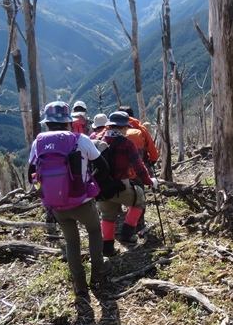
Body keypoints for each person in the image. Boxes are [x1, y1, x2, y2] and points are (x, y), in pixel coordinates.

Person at [28, 101, 112, 303]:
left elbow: (31, 175)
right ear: (68, 122)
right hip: (82, 201)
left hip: (57, 206)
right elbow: (104, 167)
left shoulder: (37, 142)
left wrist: (45, 197)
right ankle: (98, 273)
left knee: (72, 242)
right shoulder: (80, 139)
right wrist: (90, 183)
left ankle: (79, 285)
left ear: (47, 123)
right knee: (93, 231)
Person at [95, 111, 157, 256]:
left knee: (107, 217)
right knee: (140, 199)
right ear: (124, 127)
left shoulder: (98, 141)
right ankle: (127, 234)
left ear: (110, 126)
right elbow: (139, 167)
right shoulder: (127, 143)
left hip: (102, 189)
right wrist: (149, 182)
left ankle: (108, 249)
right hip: (121, 187)